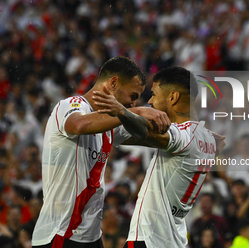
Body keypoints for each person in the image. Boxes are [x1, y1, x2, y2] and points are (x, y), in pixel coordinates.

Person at [32, 57, 170, 248]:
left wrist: (196, 135)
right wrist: (138, 111)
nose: (132, 104)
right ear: (113, 83)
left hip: (91, 236)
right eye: (132, 96)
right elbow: (79, 124)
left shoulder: (111, 123)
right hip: (61, 233)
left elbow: (152, 136)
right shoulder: (70, 104)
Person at [92, 66, 226, 248]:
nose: (150, 100)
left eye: (154, 94)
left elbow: (147, 133)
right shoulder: (205, 139)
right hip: (172, 239)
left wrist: (123, 111)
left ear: (173, 97)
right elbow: (138, 136)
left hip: (150, 239)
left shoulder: (183, 135)